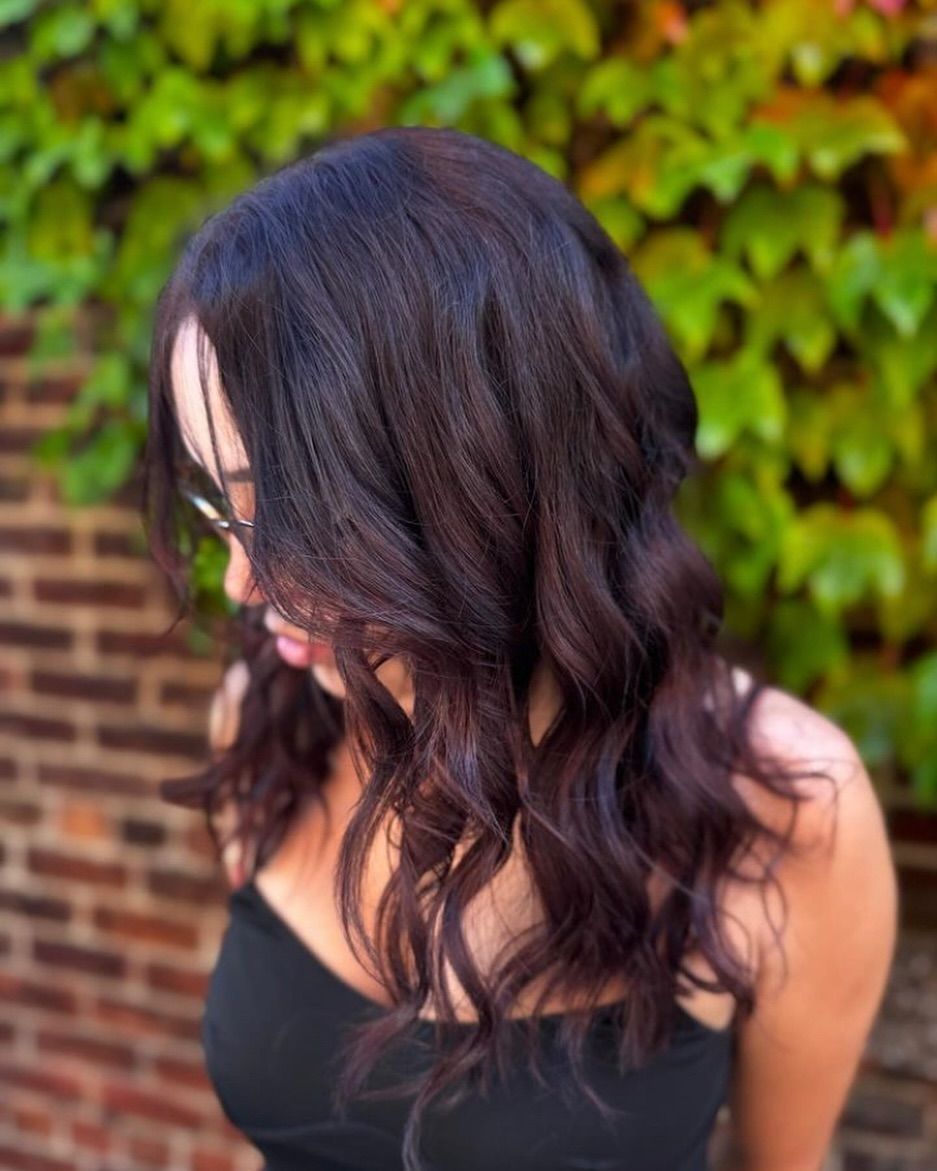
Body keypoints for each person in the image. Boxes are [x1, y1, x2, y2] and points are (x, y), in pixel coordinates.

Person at [142, 126, 898, 1171]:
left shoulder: (783, 807)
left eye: (295, 519)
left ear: (481, 480)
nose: (241, 581)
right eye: (222, 508)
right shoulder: (272, 723)